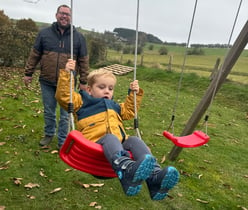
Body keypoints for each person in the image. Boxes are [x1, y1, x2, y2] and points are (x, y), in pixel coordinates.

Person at [55, 59, 180, 200]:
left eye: (110, 88)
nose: (107, 91)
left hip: (117, 149)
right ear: (89, 90)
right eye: (101, 87)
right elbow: (65, 97)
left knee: (134, 140)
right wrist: (67, 74)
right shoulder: (82, 102)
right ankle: (125, 168)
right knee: (110, 137)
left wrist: (134, 94)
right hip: (95, 149)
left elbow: (129, 111)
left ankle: (154, 177)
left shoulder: (114, 106)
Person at [24, 5, 89, 149]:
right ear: (56, 15)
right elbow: (35, 55)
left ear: (71, 17)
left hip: (67, 82)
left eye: (67, 14)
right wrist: (28, 73)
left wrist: (84, 81)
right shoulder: (44, 34)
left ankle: (62, 140)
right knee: (49, 111)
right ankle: (48, 134)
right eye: (62, 13)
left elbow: (83, 60)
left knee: (66, 114)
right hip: (46, 80)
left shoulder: (78, 38)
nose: (64, 16)